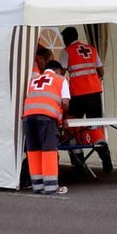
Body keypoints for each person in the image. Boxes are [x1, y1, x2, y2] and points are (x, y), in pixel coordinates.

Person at [61, 26, 112, 173]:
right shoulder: (92, 49)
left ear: (66, 39)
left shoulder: (67, 52)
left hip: (77, 94)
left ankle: (78, 159)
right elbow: (101, 71)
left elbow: (61, 73)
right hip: (95, 93)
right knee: (95, 125)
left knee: (71, 125)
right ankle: (104, 153)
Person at [22, 59, 71, 195]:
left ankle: (37, 186)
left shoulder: (34, 79)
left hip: (28, 116)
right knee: (49, 150)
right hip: (47, 117)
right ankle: (50, 187)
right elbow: (65, 103)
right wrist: (63, 118)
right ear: (57, 71)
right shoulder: (60, 80)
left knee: (33, 151)